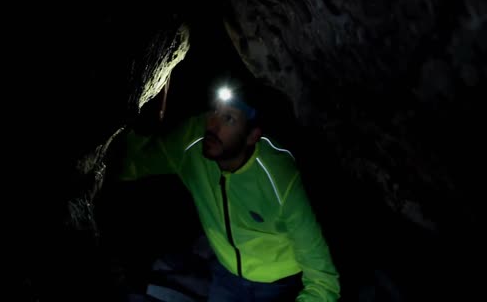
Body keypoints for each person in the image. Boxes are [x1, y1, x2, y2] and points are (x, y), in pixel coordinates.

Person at [116, 81, 340, 302]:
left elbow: (322, 277)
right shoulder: (193, 142)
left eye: (229, 119)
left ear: (252, 136)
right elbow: (129, 165)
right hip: (226, 274)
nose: (213, 125)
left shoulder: (279, 177)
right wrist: (141, 128)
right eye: (215, 111)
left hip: (276, 283)